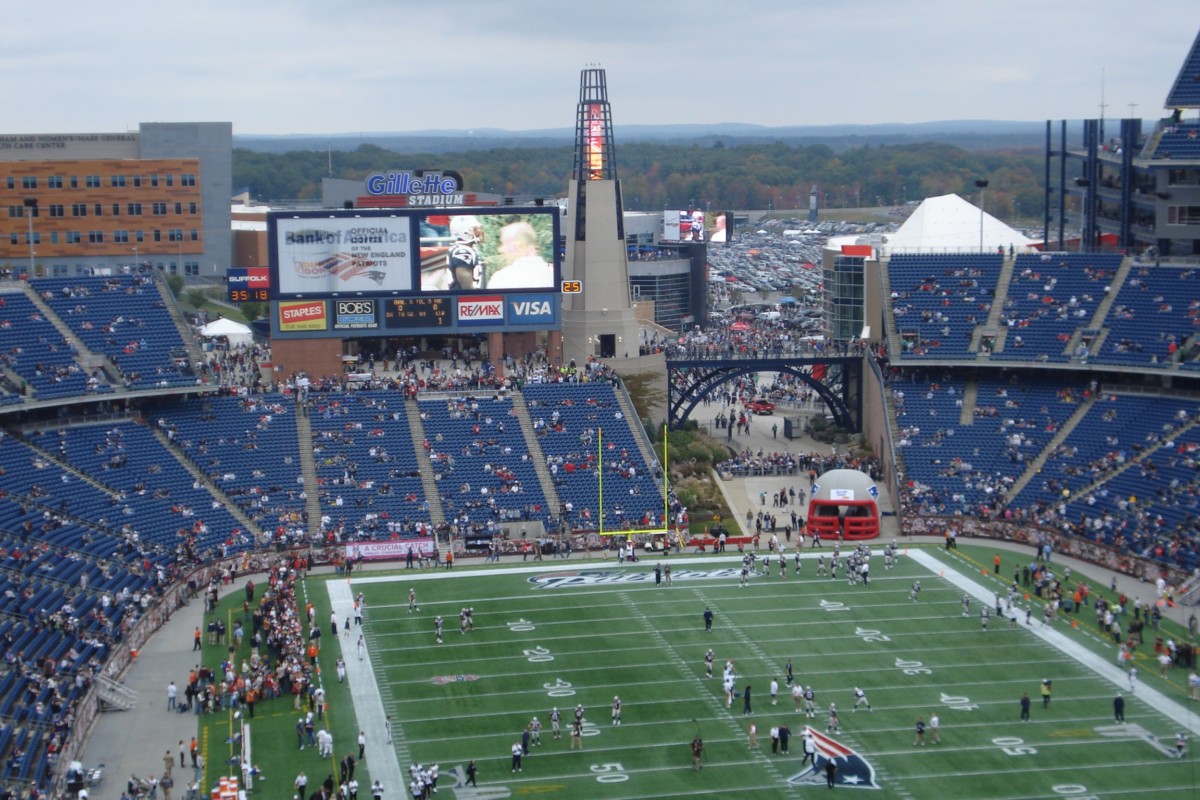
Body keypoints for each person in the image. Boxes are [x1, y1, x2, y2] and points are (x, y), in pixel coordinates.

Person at [487, 221, 553, 289]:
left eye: (504, 243)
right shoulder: (552, 274)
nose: (501, 249)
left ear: (518, 244)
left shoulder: (501, 279)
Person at [446, 216, 484, 290]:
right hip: (464, 300)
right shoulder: (462, 252)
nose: (478, 232)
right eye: (474, 229)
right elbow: (466, 286)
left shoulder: (465, 249)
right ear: (464, 232)